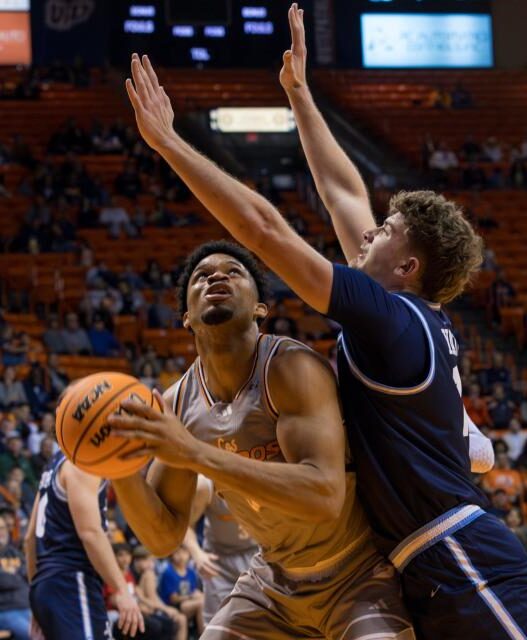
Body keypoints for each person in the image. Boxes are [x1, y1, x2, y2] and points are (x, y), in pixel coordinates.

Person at [120, 9, 522, 635]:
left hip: (455, 548)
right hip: (420, 555)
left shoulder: (388, 317)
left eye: (385, 233)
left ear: (408, 265)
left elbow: (262, 229)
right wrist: (301, 95)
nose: (367, 233)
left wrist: (170, 143)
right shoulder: (408, 314)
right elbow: (342, 192)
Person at [110, 242, 415, 639]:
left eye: (234, 272)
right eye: (202, 276)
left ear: (260, 309)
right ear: (187, 317)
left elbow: (323, 496)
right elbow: (163, 536)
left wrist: (195, 453)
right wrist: (115, 466)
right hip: (273, 582)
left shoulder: (292, 367)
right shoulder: (178, 403)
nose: (216, 276)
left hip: (357, 574)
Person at [25, 453, 144, 639]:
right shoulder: (84, 462)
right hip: (72, 582)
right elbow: (90, 533)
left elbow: (29, 538)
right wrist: (121, 589)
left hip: (48, 584)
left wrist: (38, 597)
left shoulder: (53, 465)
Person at [183, 474, 258, 624]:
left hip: (256, 555)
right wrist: (197, 554)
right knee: (216, 624)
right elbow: (184, 526)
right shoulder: (205, 485)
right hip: (219, 560)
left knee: (262, 623)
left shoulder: (262, 478)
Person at [158, 547, 204, 635]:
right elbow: (173, 599)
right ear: (171, 555)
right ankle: (204, 635)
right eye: (177, 553)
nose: (181, 556)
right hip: (173, 606)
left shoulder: (191, 572)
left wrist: (198, 594)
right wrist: (190, 596)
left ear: (189, 554)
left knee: (204, 599)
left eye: (184, 552)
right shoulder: (168, 572)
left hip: (189, 603)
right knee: (201, 603)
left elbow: (194, 591)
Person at [0, 514, 31, 639]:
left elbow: (29, 575)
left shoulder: (15, 553)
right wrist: (15, 576)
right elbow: (3, 581)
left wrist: (11, 576)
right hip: (6, 610)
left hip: (28, 608)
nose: (1, 532)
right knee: (33, 636)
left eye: (3, 528)